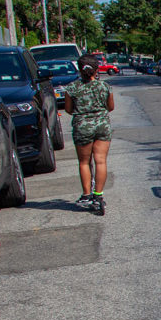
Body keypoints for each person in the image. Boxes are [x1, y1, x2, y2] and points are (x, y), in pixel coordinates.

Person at [64, 54, 114, 212]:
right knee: (101, 161)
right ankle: (98, 194)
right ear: (96, 69)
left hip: (82, 127)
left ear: (79, 69)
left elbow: (68, 109)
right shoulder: (104, 86)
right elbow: (110, 107)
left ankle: (87, 194)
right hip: (102, 125)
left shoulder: (72, 88)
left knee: (84, 162)